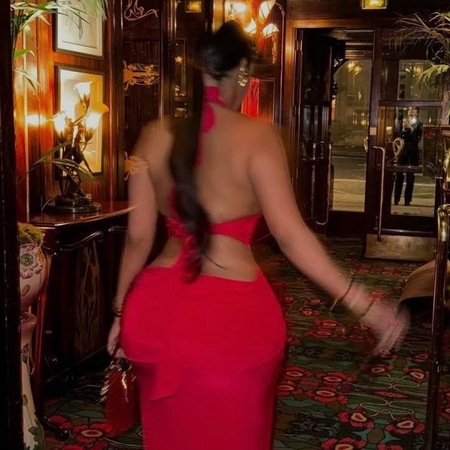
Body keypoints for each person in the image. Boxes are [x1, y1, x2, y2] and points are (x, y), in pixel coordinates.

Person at [107, 21, 409, 450]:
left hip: (152, 317)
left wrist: (121, 315)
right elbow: (289, 234)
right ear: (242, 72)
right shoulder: (258, 136)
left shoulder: (151, 135)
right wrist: (365, 305)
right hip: (229, 325)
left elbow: (138, 238)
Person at [394, 108, 423, 206]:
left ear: (417, 113)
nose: (410, 110)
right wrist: (403, 128)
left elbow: (416, 139)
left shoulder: (419, 124)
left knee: (410, 177)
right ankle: (396, 198)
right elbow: (398, 136)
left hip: (412, 153)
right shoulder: (402, 122)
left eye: (413, 109)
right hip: (402, 152)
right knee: (399, 176)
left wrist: (411, 128)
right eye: (409, 108)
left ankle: (407, 200)